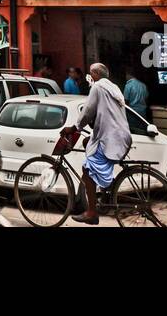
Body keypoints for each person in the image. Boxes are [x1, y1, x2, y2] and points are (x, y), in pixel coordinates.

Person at [64, 63, 132, 225]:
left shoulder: (97, 87)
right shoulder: (113, 87)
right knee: (90, 143)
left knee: (87, 170)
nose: (89, 76)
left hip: (110, 138)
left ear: (94, 73)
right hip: (121, 136)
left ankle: (92, 212)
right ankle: (105, 192)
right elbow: (106, 114)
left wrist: (74, 128)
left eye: (90, 73)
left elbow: (87, 111)